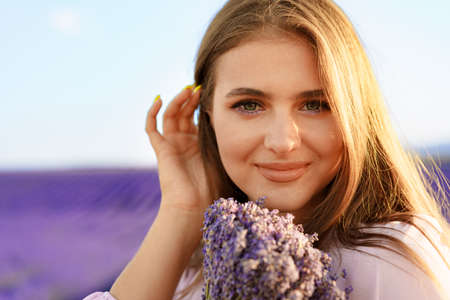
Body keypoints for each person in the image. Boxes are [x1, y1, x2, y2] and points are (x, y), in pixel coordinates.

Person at [84, 0, 449, 299]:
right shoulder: (200, 266)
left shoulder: (394, 257)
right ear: (206, 114)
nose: (282, 142)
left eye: (316, 105)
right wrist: (180, 213)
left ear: (356, 113)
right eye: (249, 105)